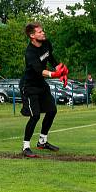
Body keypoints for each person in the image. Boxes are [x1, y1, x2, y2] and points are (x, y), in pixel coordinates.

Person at [20, 22, 67, 158]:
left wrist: (61, 71)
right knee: (35, 116)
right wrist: (55, 74)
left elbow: (50, 58)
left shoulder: (46, 43)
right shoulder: (30, 53)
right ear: (32, 35)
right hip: (29, 86)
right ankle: (25, 147)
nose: (43, 33)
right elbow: (40, 71)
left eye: (42, 31)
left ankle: (42, 142)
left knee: (52, 111)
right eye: (40, 32)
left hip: (41, 84)